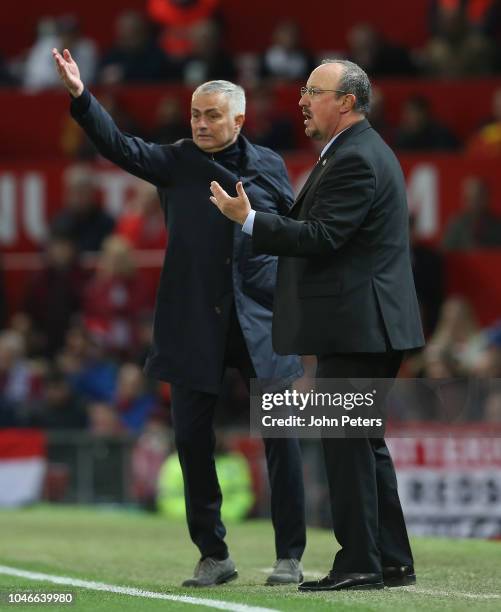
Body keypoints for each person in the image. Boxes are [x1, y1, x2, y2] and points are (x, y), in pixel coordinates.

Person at [52, 47, 306, 587]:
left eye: (212, 115)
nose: (201, 123)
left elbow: (292, 236)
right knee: (191, 440)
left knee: (283, 437)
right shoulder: (177, 160)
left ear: (239, 119)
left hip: (262, 319)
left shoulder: (271, 166)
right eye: (195, 114)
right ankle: (214, 554)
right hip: (194, 320)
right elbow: (118, 147)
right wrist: (81, 96)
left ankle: (290, 555)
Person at [210, 59, 425, 592]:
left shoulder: (354, 158)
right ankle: (391, 558)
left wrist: (250, 220)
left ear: (346, 102)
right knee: (364, 443)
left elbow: (323, 236)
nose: (302, 100)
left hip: (359, 325)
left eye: (314, 91)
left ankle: (359, 563)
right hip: (367, 323)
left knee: (347, 444)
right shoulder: (359, 153)